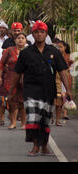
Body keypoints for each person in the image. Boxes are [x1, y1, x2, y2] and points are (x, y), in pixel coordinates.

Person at [10, 21, 72, 157]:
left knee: (45, 119)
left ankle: (44, 146)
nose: (39, 34)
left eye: (42, 32)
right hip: (31, 91)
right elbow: (17, 73)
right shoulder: (26, 53)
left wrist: (68, 89)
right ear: (32, 34)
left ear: (46, 34)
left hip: (48, 91)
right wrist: (12, 91)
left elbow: (62, 71)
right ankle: (35, 146)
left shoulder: (54, 52)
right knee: (33, 118)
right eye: (36, 32)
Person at [0, 32, 27, 129]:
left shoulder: (29, 51)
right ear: (15, 40)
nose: (20, 40)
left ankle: (23, 123)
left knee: (23, 101)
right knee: (12, 101)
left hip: (25, 79)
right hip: (11, 78)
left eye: (23, 38)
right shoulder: (9, 50)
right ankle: (13, 122)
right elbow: (1, 64)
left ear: (26, 40)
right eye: (18, 38)